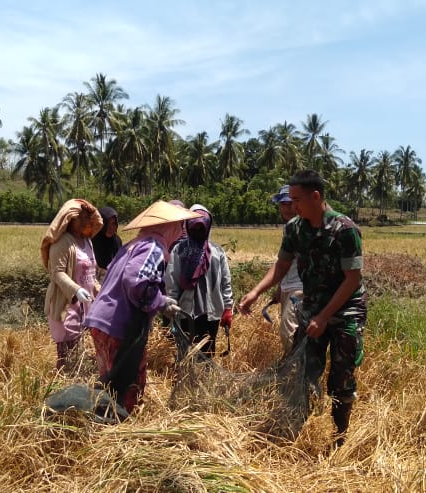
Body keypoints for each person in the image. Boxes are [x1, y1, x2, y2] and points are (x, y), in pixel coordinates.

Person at [237, 170, 367, 448]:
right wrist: (256, 292)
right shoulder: (295, 228)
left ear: (315, 196)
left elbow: (352, 280)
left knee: (341, 379)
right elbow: (282, 265)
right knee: (303, 371)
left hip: (346, 312)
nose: (292, 205)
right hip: (312, 308)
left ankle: (339, 438)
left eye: (296, 199)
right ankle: (295, 432)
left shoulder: (344, 230)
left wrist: (324, 317)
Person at [83, 201, 200, 414]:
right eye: (179, 225)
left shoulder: (133, 244)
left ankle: (105, 424)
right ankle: (123, 429)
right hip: (119, 327)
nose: (182, 231)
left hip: (101, 322)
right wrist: (161, 302)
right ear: (168, 226)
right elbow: (135, 279)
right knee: (129, 385)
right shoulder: (153, 248)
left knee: (110, 383)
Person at [42, 199, 103, 372]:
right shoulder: (62, 243)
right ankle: (62, 382)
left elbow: (92, 272)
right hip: (67, 302)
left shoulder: (87, 242)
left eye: (87, 217)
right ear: (69, 219)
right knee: (66, 350)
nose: (86, 221)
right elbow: (57, 273)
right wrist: (76, 289)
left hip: (86, 302)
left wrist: (98, 289)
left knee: (80, 347)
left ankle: (78, 378)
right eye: (81, 217)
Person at [166, 204, 233, 358]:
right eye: (194, 228)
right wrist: (171, 306)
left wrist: (228, 308)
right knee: (185, 354)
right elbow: (172, 281)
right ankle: (186, 381)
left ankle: (205, 381)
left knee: (207, 353)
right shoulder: (179, 251)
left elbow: (225, 282)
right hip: (185, 312)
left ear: (208, 228)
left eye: (201, 228)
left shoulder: (217, 252)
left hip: (211, 312)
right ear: (188, 228)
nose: (197, 232)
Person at [265, 185, 303, 357]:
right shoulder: (288, 228)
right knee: (294, 332)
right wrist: (280, 288)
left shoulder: (304, 227)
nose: (285, 208)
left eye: (289, 203)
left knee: (288, 331)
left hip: (300, 287)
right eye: (282, 204)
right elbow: (285, 262)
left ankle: (293, 367)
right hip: (288, 285)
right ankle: (294, 365)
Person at [92, 206, 122, 271]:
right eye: (107, 224)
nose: (111, 228)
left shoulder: (117, 240)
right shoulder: (92, 241)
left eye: (113, 224)